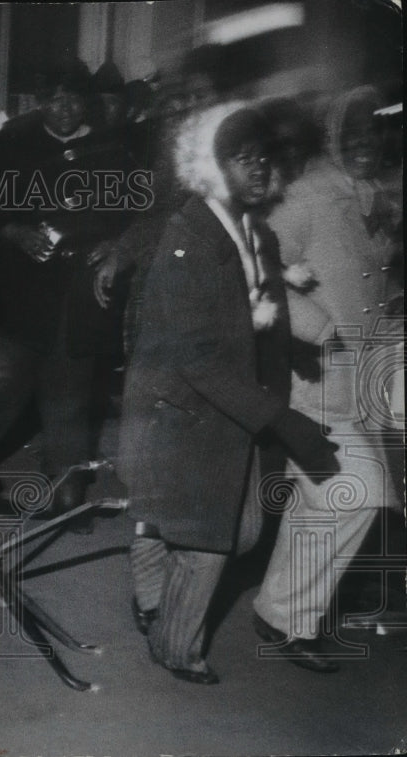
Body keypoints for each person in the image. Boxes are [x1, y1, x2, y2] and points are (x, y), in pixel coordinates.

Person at [118, 102, 340, 685]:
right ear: (216, 168)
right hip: (180, 410)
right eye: (244, 160)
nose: (259, 169)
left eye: (264, 158)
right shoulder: (187, 239)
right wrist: (282, 420)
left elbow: (260, 319)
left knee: (237, 532)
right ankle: (175, 647)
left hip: (226, 404)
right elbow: (196, 357)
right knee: (210, 542)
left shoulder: (254, 233)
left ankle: (148, 575)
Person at [252, 86, 403, 673]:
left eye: (379, 132)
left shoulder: (372, 196)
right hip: (312, 378)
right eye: (354, 133)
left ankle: (284, 616)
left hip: (364, 378)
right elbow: (259, 268)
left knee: (327, 501)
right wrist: (318, 327)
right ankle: (284, 614)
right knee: (354, 492)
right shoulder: (308, 197)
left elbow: (369, 281)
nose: (367, 144)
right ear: (334, 135)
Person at [0, 65, 135, 523]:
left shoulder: (112, 149)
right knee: (3, 388)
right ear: (40, 100)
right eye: (55, 98)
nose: (65, 108)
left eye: (75, 99)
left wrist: (115, 245)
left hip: (80, 294)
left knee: (71, 389)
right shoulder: (11, 144)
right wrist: (15, 231)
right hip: (20, 295)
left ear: (89, 104)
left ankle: (67, 482)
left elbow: (132, 219)